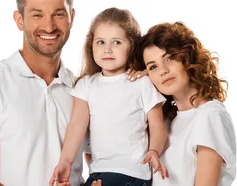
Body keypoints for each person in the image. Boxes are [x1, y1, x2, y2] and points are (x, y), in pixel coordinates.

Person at [0, 0, 87, 185]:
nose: (49, 27)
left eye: (58, 14)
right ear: (19, 20)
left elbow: (107, 164)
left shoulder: (83, 90)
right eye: (37, 15)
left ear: (71, 18)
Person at [49, 7, 169, 186]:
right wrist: (66, 160)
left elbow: (157, 125)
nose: (108, 49)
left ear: (132, 45)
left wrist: (154, 151)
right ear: (91, 45)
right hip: (99, 171)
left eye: (117, 42)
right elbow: (76, 126)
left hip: (132, 171)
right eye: (101, 42)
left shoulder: (141, 82)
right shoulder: (86, 85)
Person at [134, 22, 237, 186]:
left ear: (186, 57)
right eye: (153, 67)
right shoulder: (166, 122)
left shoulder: (209, 115)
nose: (163, 70)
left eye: (169, 58)